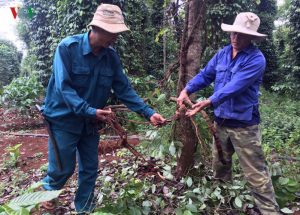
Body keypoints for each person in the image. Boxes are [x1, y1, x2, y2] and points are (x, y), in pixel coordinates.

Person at [40, 3, 166, 213]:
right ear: (96, 29)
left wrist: (149, 113)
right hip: (64, 120)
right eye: (112, 32)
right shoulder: (67, 49)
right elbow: (64, 88)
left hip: (90, 123)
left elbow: (124, 90)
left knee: (90, 169)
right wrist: (90, 110)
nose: (116, 37)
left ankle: (85, 209)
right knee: (63, 169)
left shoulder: (111, 57)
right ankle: (46, 200)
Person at [177, 12, 280, 215]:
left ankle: (269, 211)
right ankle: (225, 206)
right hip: (221, 123)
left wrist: (208, 101)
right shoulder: (223, 53)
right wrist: (187, 89)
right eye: (233, 33)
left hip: (244, 126)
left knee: (256, 174)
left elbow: (235, 86)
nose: (235, 38)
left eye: (241, 35)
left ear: (251, 37)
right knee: (220, 168)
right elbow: (206, 74)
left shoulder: (256, 59)